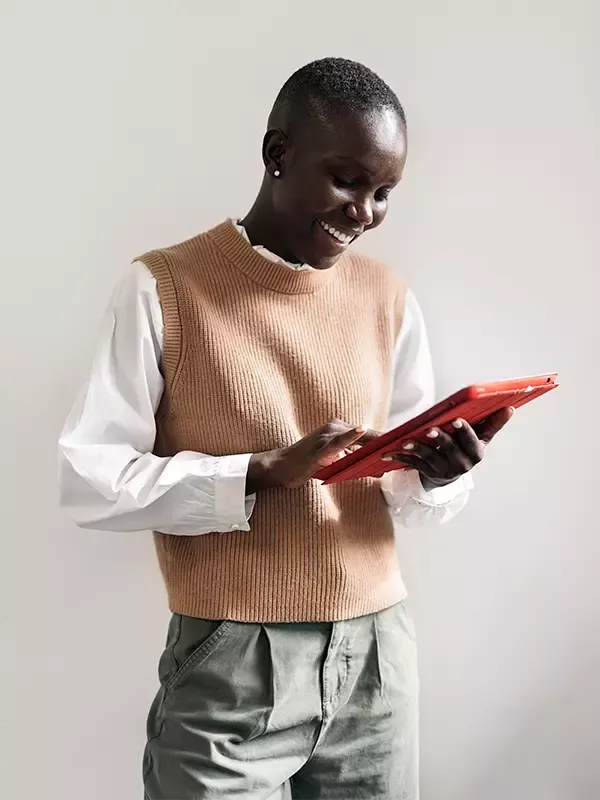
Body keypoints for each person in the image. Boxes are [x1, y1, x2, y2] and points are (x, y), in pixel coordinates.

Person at [58, 58, 512, 800]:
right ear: (277, 155)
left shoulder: (387, 296)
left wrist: (435, 475)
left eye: (383, 192)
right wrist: (258, 474)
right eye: (346, 180)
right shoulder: (163, 288)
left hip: (377, 664)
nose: (363, 211)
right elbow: (89, 478)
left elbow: (398, 490)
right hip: (233, 664)